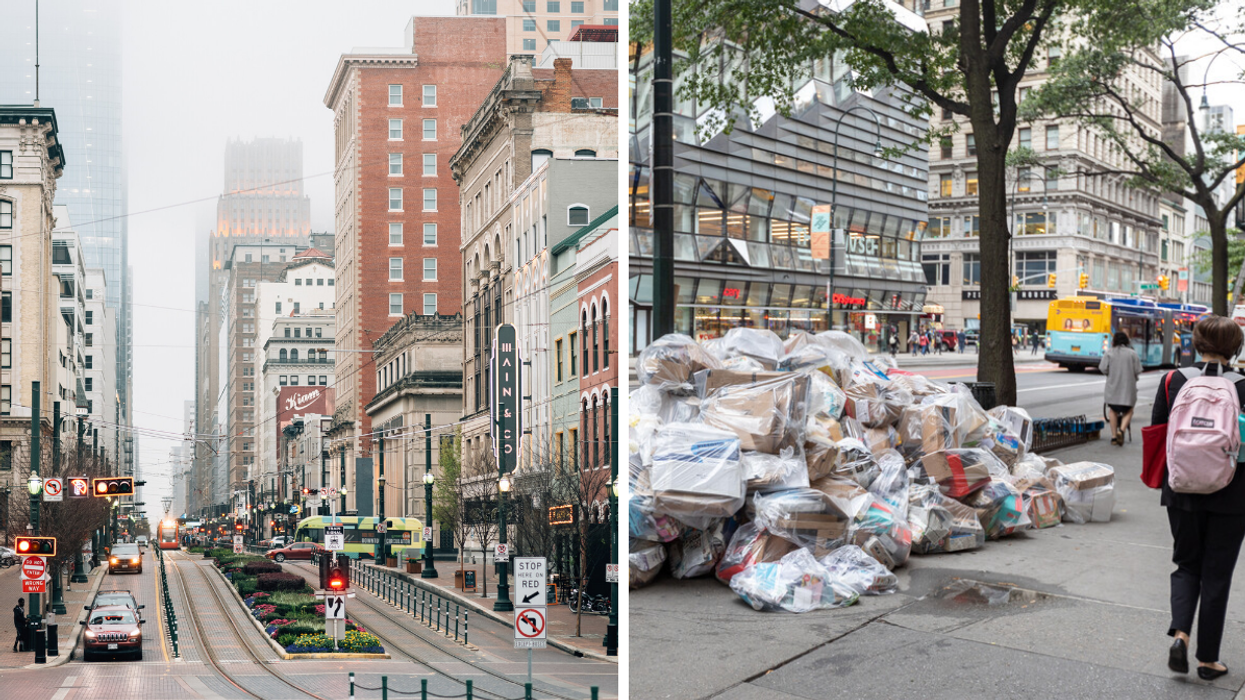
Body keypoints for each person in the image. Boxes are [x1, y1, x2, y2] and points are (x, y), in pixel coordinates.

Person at [1153, 315, 1245, 680]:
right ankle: (1208, 660)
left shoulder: (1173, 380)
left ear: (1195, 342)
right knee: (1217, 573)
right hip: (1233, 494)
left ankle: (1181, 634)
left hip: (1181, 489)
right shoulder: (1243, 385)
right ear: (1235, 347)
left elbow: (1159, 432)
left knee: (1186, 564)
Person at [1099, 331, 1141, 446]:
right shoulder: (1132, 354)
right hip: (1128, 389)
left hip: (1113, 387)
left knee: (1113, 410)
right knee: (1129, 410)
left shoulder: (1109, 353)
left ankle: (1113, 437)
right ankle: (1121, 430)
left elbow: (1103, 368)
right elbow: (1138, 370)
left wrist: (1110, 373)